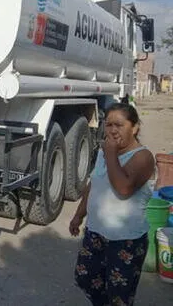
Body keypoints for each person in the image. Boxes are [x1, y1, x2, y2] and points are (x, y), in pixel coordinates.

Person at [70, 102, 155, 306]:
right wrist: (78, 215)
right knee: (85, 278)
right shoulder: (104, 152)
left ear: (134, 128)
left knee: (120, 296)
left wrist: (109, 153)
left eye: (119, 125)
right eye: (109, 125)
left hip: (126, 240)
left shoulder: (143, 157)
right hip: (95, 233)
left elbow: (123, 189)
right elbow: (94, 185)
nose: (113, 130)